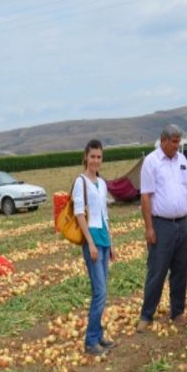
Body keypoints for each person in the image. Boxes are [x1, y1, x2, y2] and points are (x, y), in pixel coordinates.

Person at [137, 124, 187, 331]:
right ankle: (146, 315)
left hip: (182, 222)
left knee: (181, 269)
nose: (177, 146)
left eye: (179, 141)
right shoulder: (151, 162)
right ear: (163, 140)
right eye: (174, 141)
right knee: (157, 270)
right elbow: (145, 196)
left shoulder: (182, 161)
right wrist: (149, 228)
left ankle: (177, 312)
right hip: (161, 224)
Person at [73, 140, 115, 355]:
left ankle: (98, 336)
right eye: (92, 157)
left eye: (99, 157)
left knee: (103, 291)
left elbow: (105, 215)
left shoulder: (102, 183)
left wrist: (111, 242)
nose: (96, 160)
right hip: (93, 242)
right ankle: (90, 341)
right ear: (86, 157)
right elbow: (79, 214)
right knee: (100, 292)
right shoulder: (81, 182)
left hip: (104, 240)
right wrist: (90, 243)